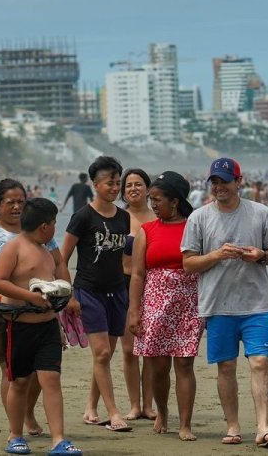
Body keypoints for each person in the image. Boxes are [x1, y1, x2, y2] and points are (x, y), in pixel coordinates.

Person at [0, 179, 70, 444]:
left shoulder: (42, 235)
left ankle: (28, 414)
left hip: (42, 314)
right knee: (12, 371)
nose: (17, 206)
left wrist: (67, 295)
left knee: (43, 373)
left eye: (21, 201)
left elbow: (58, 263)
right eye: (10, 202)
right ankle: (15, 429)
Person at [181, 156, 268, 448]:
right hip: (217, 305)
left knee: (260, 362)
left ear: (239, 182)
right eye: (214, 182)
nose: (219, 187)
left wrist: (260, 256)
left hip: (256, 304)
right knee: (226, 367)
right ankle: (233, 426)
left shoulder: (260, 212)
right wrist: (217, 255)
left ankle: (263, 427)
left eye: (225, 181)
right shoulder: (199, 217)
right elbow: (188, 263)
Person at [0, 198, 81, 456]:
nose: (54, 228)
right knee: (19, 382)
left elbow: (57, 276)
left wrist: (64, 302)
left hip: (48, 326)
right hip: (20, 328)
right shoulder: (14, 247)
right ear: (44, 226)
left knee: (51, 380)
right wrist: (30, 297)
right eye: (54, 223)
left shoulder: (47, 250)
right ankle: (15, 435)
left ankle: (58, 439)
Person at [60, 156, 134, 432]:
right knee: (102, 353)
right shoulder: (83, 217)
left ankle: (90, 406)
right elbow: (62, 258)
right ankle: (113, 414)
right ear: (95, 184)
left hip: (117, 292)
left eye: (117, 182)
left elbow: (124, 260)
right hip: (88, 291)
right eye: (109, 183)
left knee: (105, 355)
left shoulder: (124, 217)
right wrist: (69, 296)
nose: (114, 188)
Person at [127, 171, 202, 440]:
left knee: (184, 364)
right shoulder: (147, 231)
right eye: (151, 199)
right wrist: (134, 311)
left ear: (175, 201)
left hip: (189, 304)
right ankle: (162, 411)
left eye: (157, 199)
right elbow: (138, 274)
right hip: (155, 304)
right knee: (158, 367)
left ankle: (185, 424)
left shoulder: (195, 227)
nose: (153, 205)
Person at [113, 168, 156, 423]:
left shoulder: (157, 217)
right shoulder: (117, 218)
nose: (133, 189)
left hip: (152, 286)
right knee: (129, 350)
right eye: (128, 185)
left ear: (148, 189)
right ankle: (134, 405)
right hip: (122, 284)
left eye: (138, 184)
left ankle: (148, 405)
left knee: (148, 349)